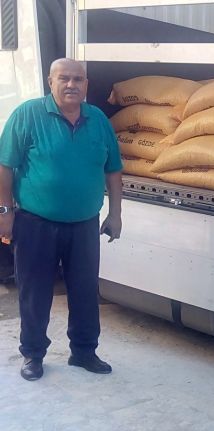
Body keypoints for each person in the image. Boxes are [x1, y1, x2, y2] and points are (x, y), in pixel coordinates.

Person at [0, 58, 123, 381]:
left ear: (86, 84)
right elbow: (4, 166)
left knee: (85, 291)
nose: (71, 85)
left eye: (78, 79)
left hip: (84, 224)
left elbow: (113, 170)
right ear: (50, 81)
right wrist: (5, 212)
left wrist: (116, 214)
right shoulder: (27, 115)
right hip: (35, 223)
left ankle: (84, 352)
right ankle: (33, 354)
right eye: (64, 78)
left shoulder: (97, 119)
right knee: (35, 292)